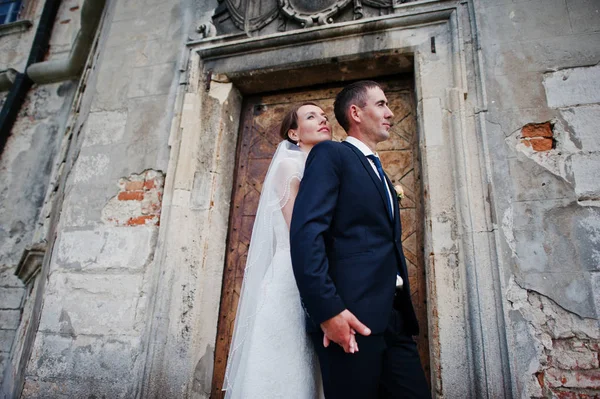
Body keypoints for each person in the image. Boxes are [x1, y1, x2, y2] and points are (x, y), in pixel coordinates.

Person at [290, 81, 431, 399]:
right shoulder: (332, 154)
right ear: (355, 112)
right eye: (381, 104)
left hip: (395, 318)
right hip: (349, 318)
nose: (391, 112)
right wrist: (328, 312)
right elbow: (306, 234)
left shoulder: (380, 171)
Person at [223, 102, 335, 399]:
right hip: (293, 273)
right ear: (294, 133)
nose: (323, 120)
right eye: (312, 117)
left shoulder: (325, 167)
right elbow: (298, 230)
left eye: (324, 116)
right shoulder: (290, 166)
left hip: (319, 270)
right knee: (287, 353)